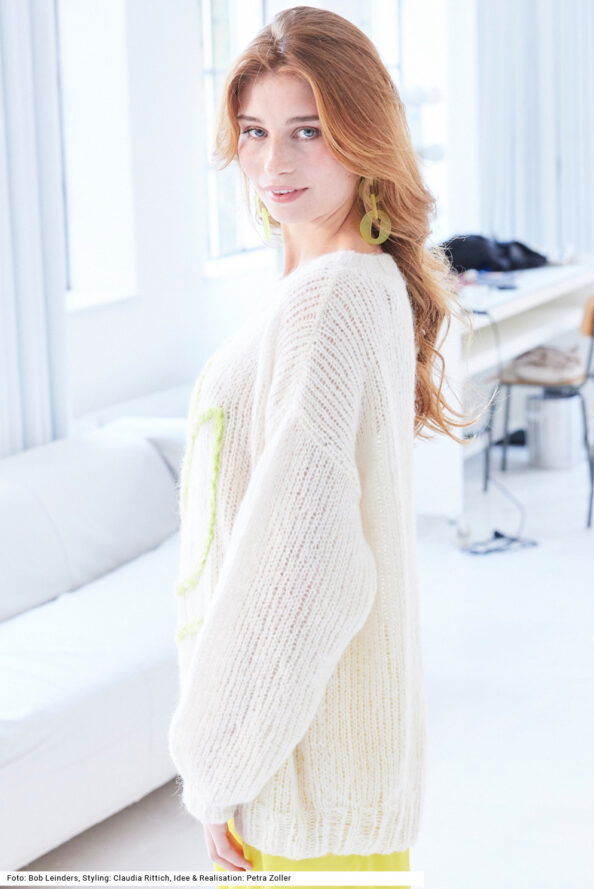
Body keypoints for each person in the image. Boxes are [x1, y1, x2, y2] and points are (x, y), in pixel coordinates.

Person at [167, 5, 477, 885]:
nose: (275, 162)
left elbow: (302, 564)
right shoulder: (340, 279)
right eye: (255, 131)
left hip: (298, 772)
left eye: (308, 130)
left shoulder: (332, 296)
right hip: (320, 760)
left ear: (362, 133)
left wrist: (217, 763)